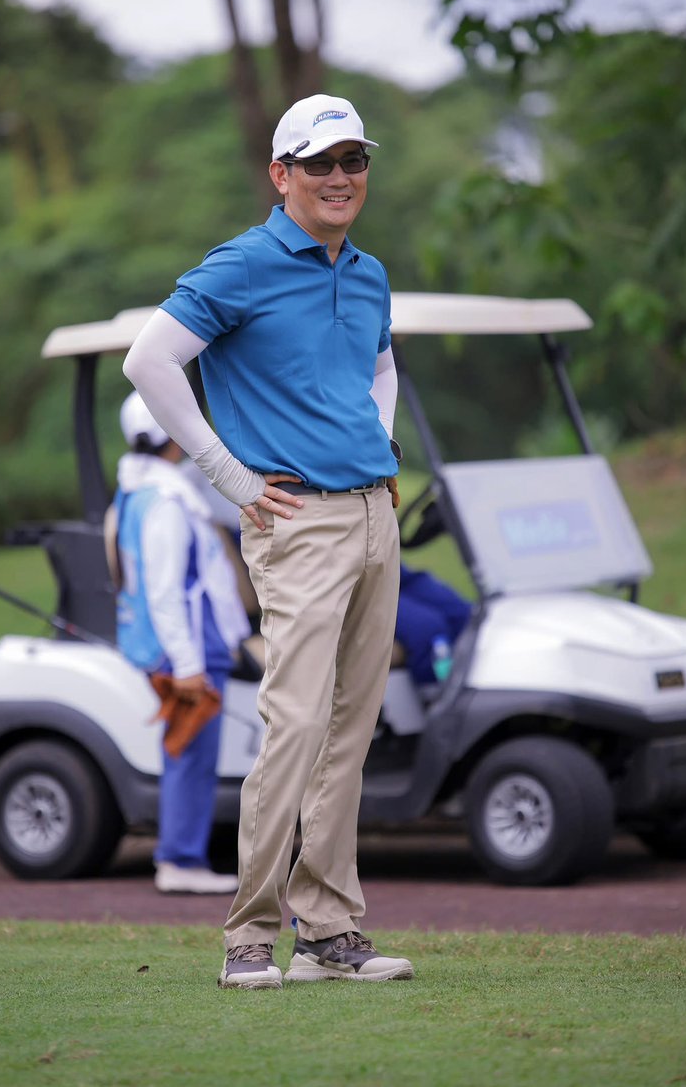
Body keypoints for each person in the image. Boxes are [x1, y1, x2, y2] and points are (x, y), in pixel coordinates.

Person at [123, 93, 413, 988]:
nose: (340, 177)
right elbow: (148, 360)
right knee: (294, 725)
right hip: (296, 522)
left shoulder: (367, 272)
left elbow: (381, 366)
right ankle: (248, 935)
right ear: (281, 175)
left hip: (372, 515)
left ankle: (327, 931)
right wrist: (230, 476)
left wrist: (379, 444)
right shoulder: (243, 264)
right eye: (319, 163)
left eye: (353, 160)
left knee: (349, 731)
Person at [110, 390, 250, 895]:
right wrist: (189, 665)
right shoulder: (165, 504)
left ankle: (181, 854)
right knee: (191, 754)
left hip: (182, 645)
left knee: (188, 752)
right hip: (188, 649)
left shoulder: (141, 487)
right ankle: (180, 860)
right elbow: (165, 594)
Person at [394, 564, 473, 685]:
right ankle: (443, 690)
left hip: (389, 569)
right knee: (428, 633)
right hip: (365, 590)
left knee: (466, 616)